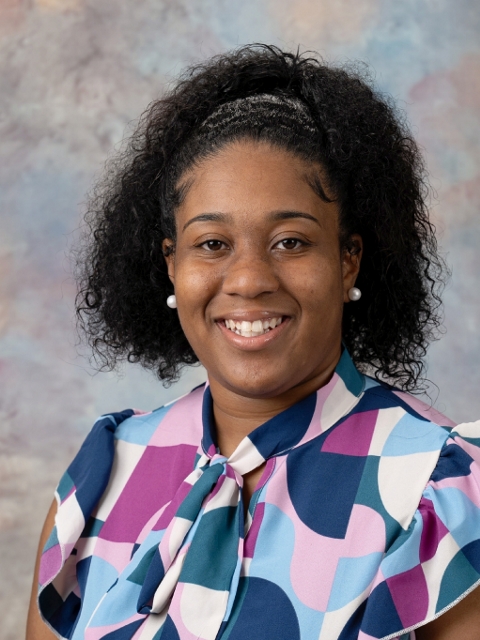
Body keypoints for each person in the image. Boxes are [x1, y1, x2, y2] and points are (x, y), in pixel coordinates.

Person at [27, 45, 480, 640]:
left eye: (290, 242)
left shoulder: (441, 492)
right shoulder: (103, 477)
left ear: (348, 259)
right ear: (172, 264)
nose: (248, 280)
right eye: (212, 244)